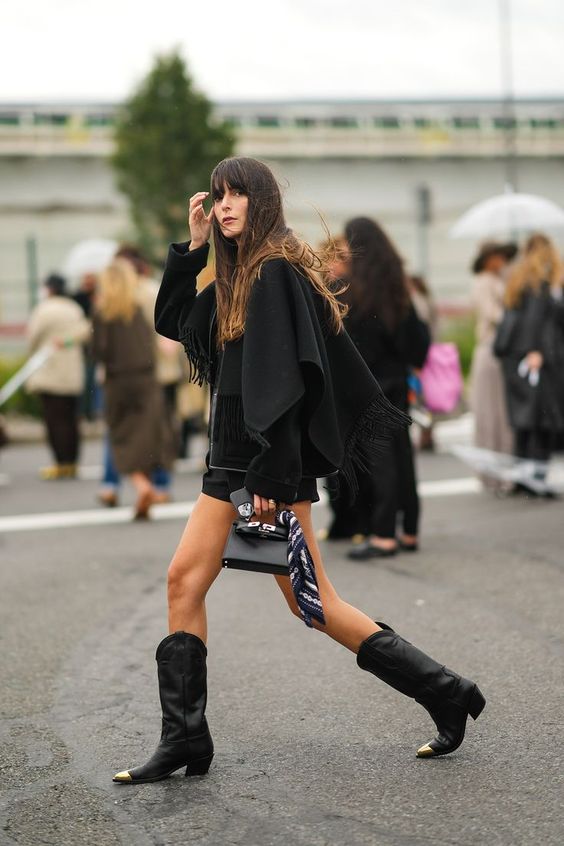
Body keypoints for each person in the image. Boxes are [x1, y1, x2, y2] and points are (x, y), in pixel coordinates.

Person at [112, 157, 485, 785]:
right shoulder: (237, 274)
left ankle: (445, 691)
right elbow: (174, 323)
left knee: (313, 606)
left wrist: (271, 479)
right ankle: (184, 739)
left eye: (238, 195)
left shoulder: (276, 271)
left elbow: (287, 384)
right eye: (219, 195)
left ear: (262, 200)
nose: (226, 205)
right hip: (226, 463)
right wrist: (192, 250)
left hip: (261, 467)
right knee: (184, 582)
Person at [341, 218, 431, 559]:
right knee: (402, 458)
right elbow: (416, 344)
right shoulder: (397, 288)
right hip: (397, 383)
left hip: (369, 387)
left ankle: (383, 535)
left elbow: (350, 347)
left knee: (379, 462)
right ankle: (409, 530)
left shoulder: (354, 291)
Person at [96, 244, 182, 507]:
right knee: (155, 432)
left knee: (119, 434)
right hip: (150, 377)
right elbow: (161, 332)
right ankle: (159, 485)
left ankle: (117, 484)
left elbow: (99, 350)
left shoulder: (104, 309)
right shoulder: (146, 296)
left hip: (116, 380)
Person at [494, 234, 564, 493]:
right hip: (535, 359)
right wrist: (538, 350)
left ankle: (522, 480)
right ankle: (535, 480)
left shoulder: (517, 281)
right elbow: (540, 323)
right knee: (541, 422)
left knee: (523, 424)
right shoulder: (541, 283)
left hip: (514, 358)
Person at [26, 273, 90, 479]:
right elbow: (86, 331)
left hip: (50, 374)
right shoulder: (74, 309)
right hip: (72, 373)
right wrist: (68, 342)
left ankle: (60, 462)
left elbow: (32, 338)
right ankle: (72, 461)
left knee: (54, 420)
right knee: (71, 419)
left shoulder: (44, 310)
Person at [469, 242, 517, 485]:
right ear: (488, 258)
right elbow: (492, 313)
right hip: (490, 349)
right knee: (489, 413)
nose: (502, 261)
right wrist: (515, 319)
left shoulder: (502, 278)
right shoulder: (483, 282)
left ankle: (505, 471)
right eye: (498, 256)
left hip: (503, 351)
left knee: (502, 413)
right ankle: (491, 475)